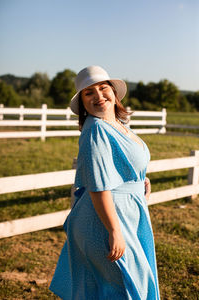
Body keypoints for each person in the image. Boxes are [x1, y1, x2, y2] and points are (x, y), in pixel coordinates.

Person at [49, 66, 160, 300]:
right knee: (125, 287)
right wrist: (113, 230)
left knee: (124, 286)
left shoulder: (119, 125)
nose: (98, 96)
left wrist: (138, 184)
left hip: (127, 213)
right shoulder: (96, 129)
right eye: (89, 93)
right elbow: (98, 186)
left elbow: (120, 167)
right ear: (82, 103)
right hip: (104, 220)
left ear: (114, 92)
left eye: (102, 88)